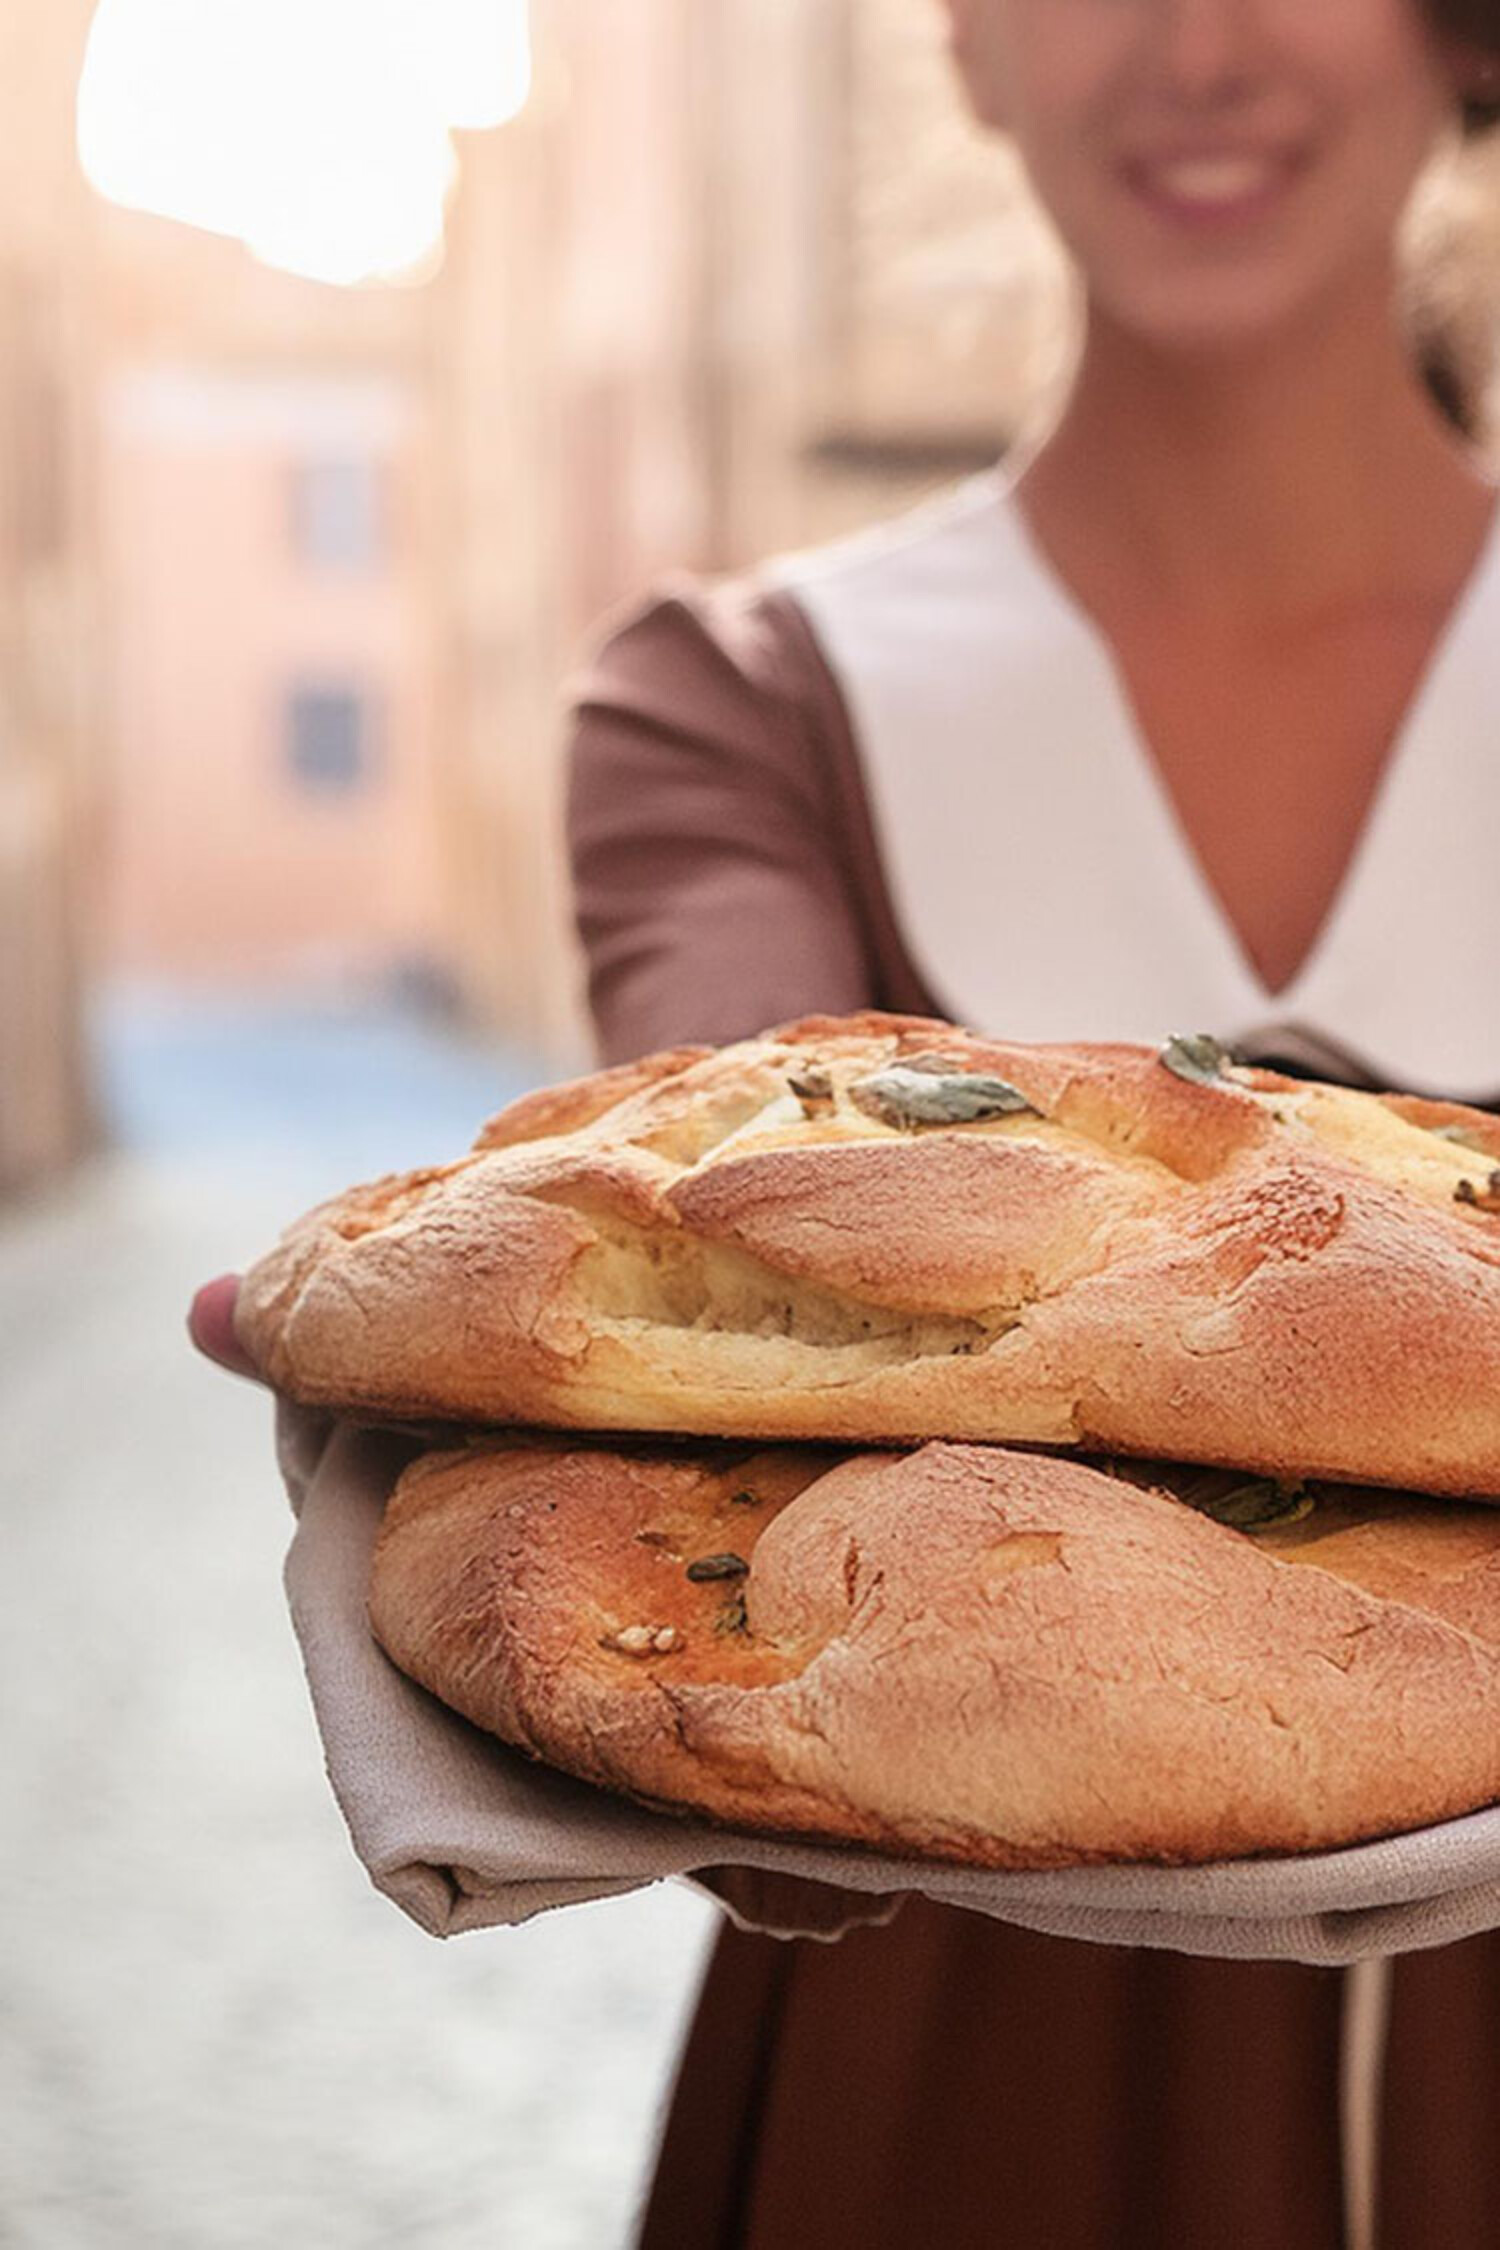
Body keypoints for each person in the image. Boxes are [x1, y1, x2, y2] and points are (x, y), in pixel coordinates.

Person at [193, 2, 1500, 2241]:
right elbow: (702, 1325)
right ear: (974, 50)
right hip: (960, 2057)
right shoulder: (748, 698)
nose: (1195, 49)